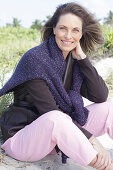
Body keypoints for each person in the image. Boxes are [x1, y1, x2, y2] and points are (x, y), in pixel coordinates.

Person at [0, 2, 113, 169]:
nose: (68, 35)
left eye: (75, 30)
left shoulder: (73, 61)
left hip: (57, 138)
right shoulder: (35, 59)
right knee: (56, 118)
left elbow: (100, 96)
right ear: (54, 28)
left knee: (109, 107)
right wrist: (94, 141)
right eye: (63, 28)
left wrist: (83, 59)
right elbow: (50, 112)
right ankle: (105, 165)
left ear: (81, 34)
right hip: (23, 139)